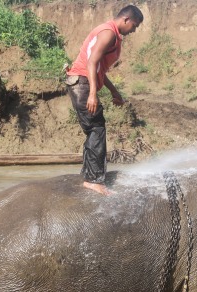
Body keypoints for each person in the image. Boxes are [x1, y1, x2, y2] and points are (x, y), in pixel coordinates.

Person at [65, 5, 143, 195]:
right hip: (82, 82)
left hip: (82, 82)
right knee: (96, 128)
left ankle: (89, 173)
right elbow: (91, 63)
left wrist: (115, 93)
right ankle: (93, 180)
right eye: (134, 25)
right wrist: (92, 93)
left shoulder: (112, 34)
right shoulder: (109, 33)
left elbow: (101, 69)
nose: (134, 30)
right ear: (125, 19)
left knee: (95, 128)